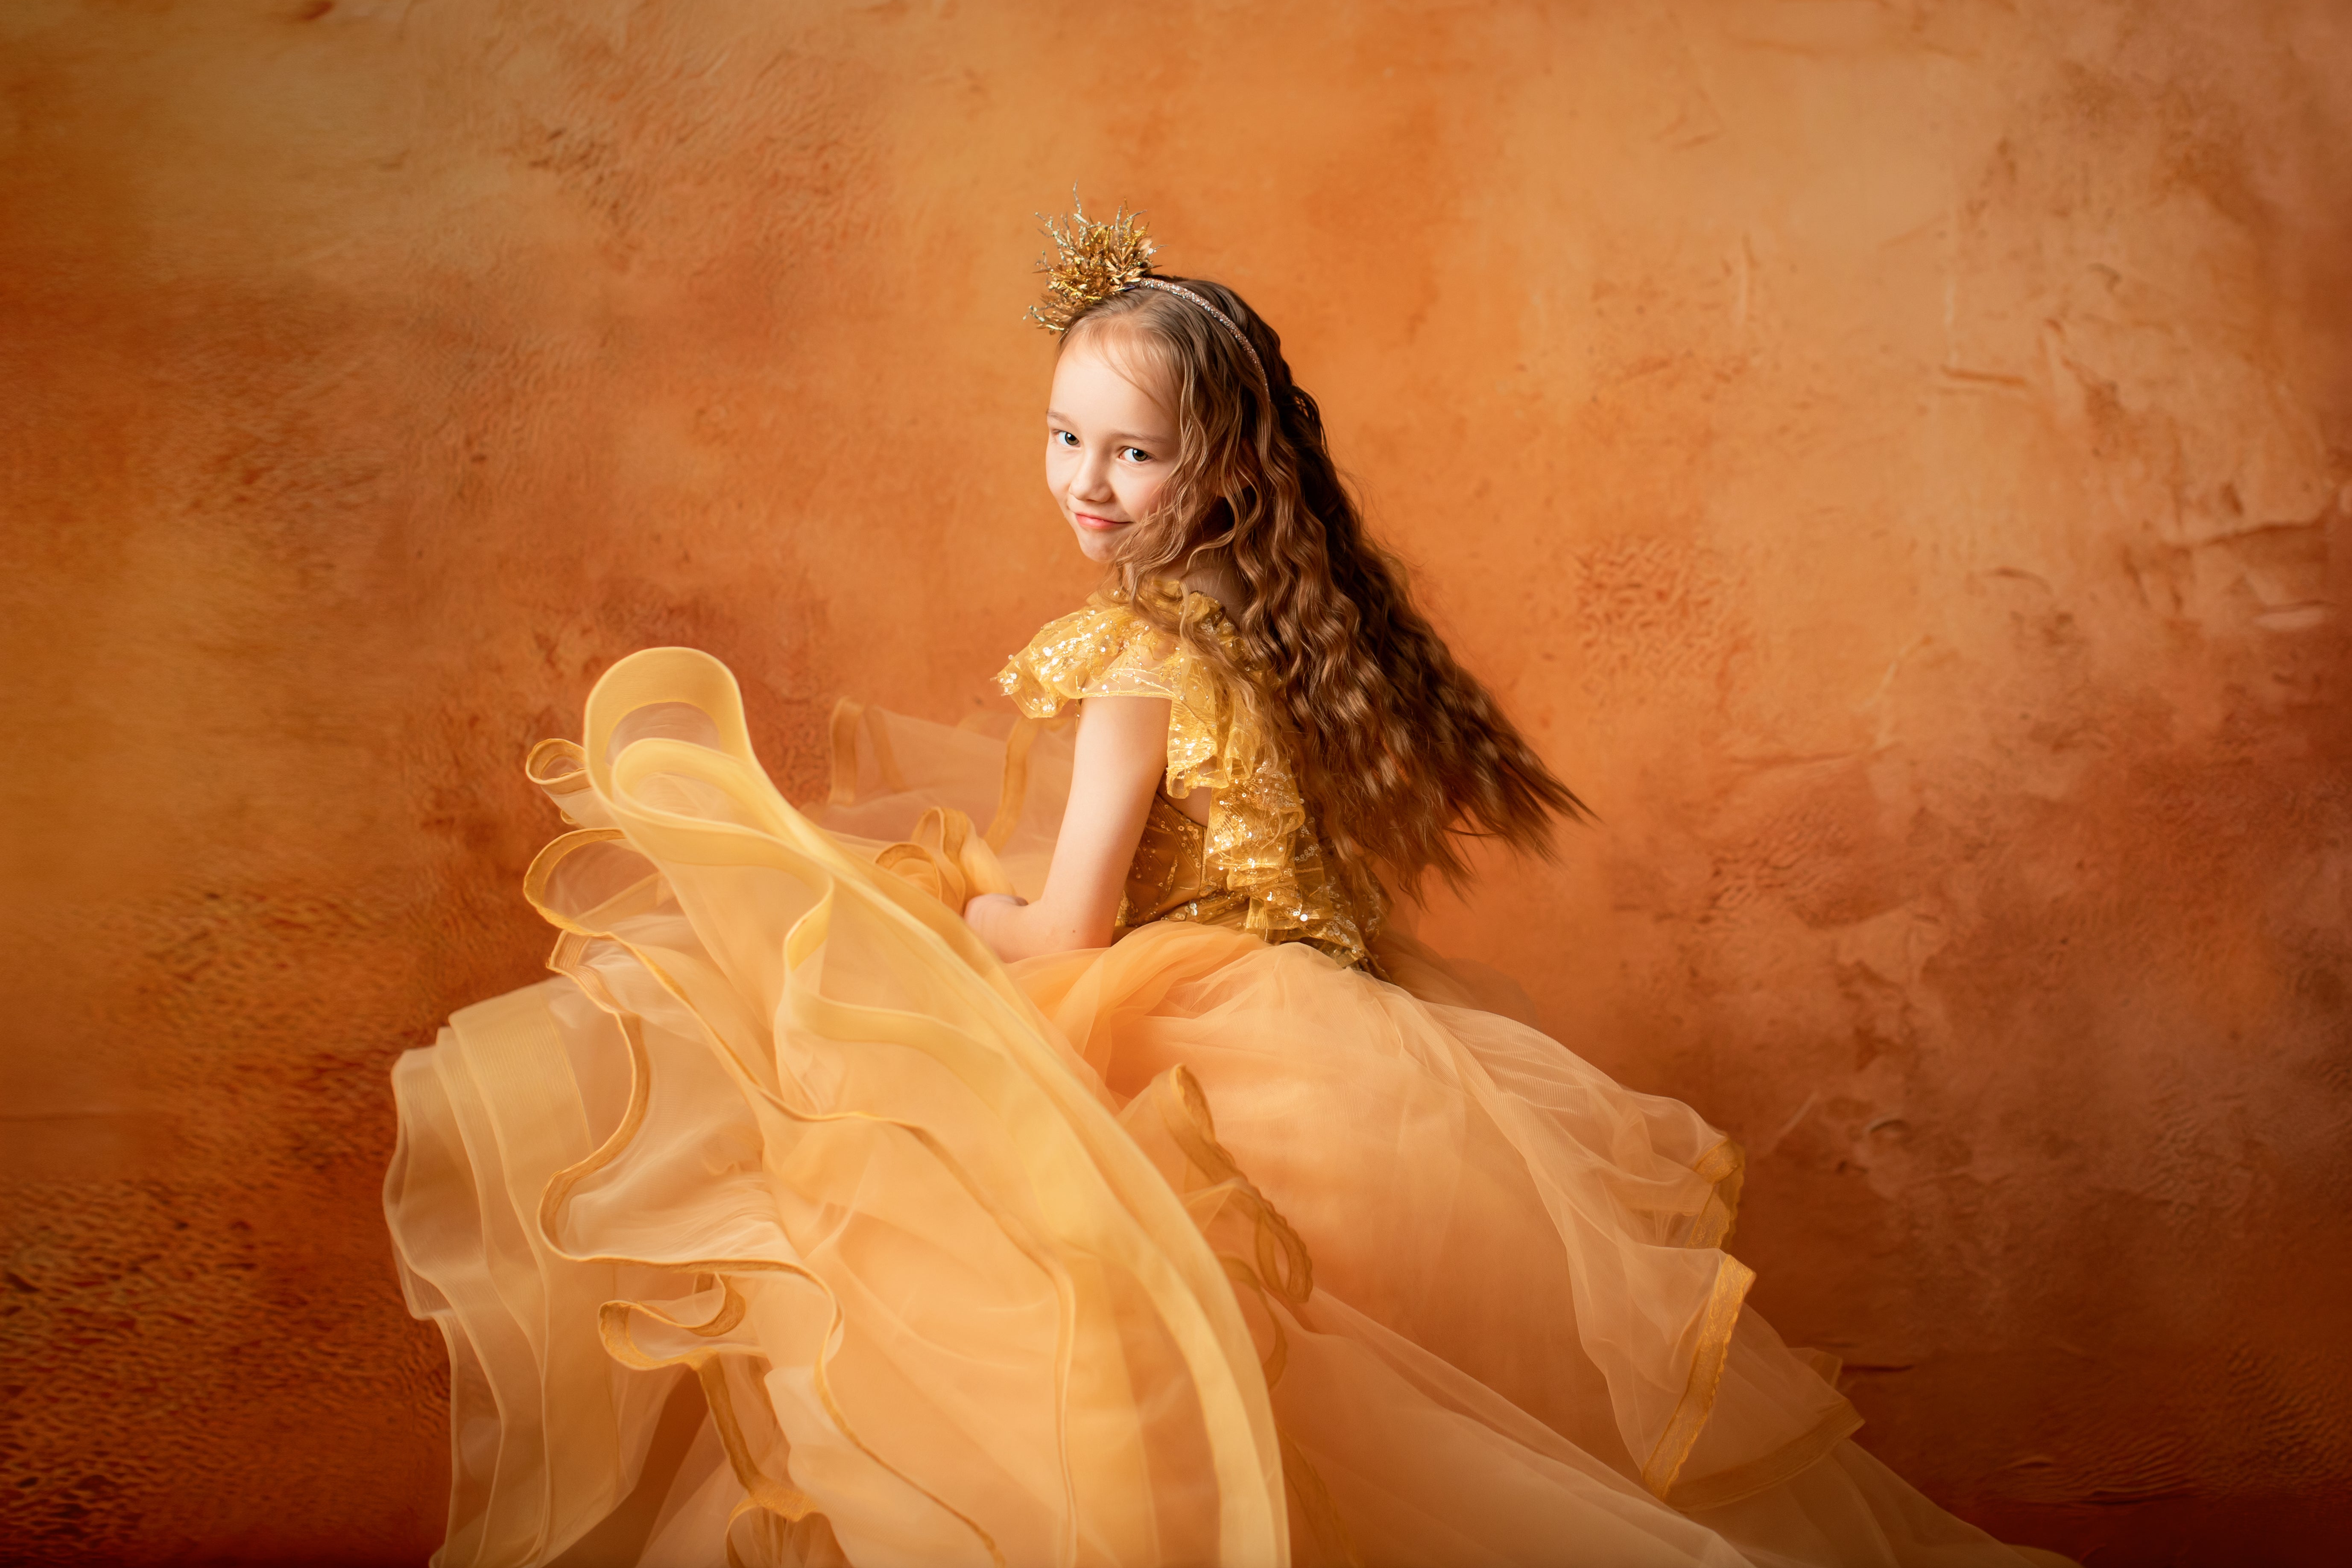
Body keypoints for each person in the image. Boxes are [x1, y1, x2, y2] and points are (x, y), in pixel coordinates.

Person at [383, 205, 2074, 1568]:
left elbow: (1078, 924)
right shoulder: (1252, 626)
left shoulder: (1133, 653)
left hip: (1198, 1031)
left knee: (1068, 1321)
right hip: (1326, 1030)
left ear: (1222, 474)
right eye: (1062, 435)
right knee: (1327, 1406)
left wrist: (944, 922)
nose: (1083, 484)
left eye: (1130, 455)